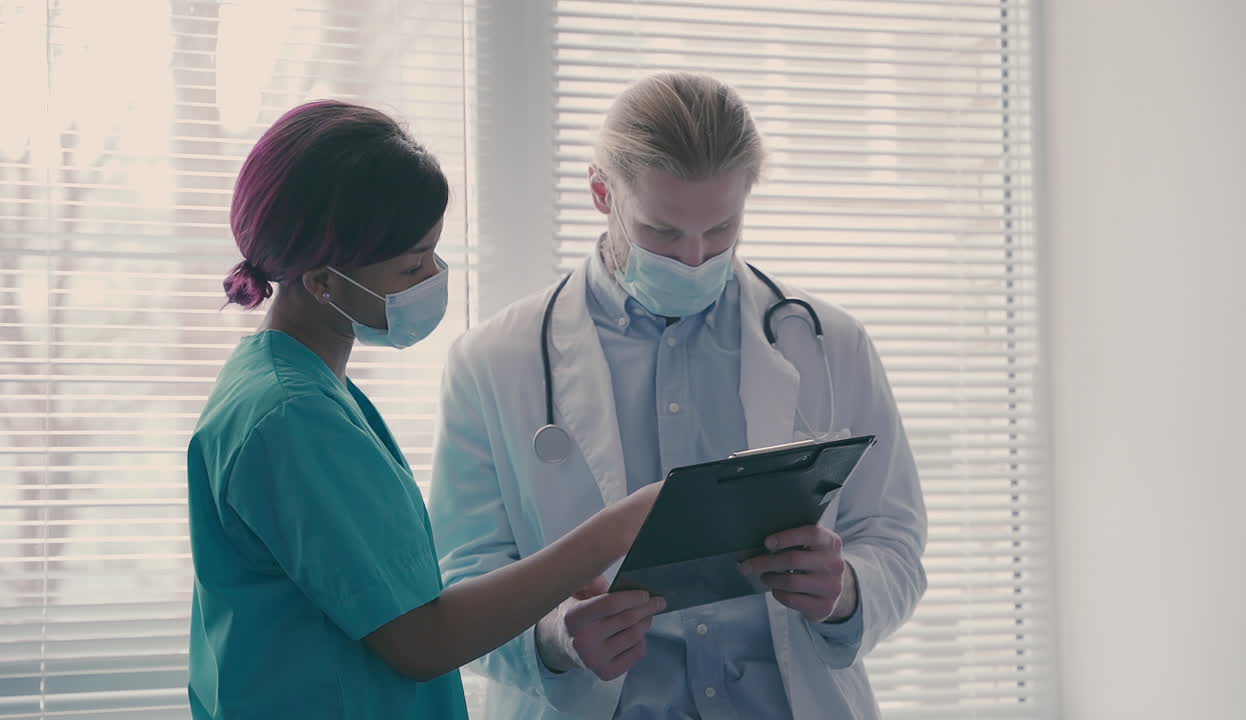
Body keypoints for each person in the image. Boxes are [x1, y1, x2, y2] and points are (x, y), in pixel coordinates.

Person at [430, 72, 928, 719]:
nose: (694, 258)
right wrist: (551, 640)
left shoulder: (830, 344)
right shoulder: (494, 361)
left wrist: (847, 591)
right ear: (602, 192)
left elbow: (893, 539)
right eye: (662, 232)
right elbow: (460, 580)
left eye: (720, 230)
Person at [186, 100, 661, 720]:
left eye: (433, 254)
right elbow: (424, 641)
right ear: (323, 282)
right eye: (412, 265)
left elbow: (401, 601)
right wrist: (620, 528)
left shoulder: (296, 383)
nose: (433, 275)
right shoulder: (292, 416)